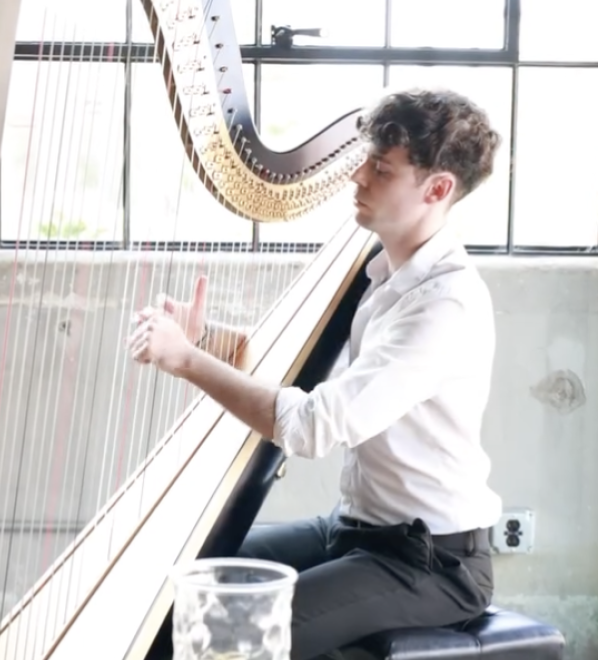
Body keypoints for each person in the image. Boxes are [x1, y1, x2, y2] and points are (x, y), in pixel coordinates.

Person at [126, 88, 503, 659]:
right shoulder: (386, 275)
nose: (358, 178)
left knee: (229, 635)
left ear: (438, 189)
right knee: (180, 579)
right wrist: (205, 339)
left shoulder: (443, 305)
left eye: (381, 168)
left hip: (431, 562)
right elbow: (298, 374)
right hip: (355, 530)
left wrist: (186, 360)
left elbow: (311, 427)